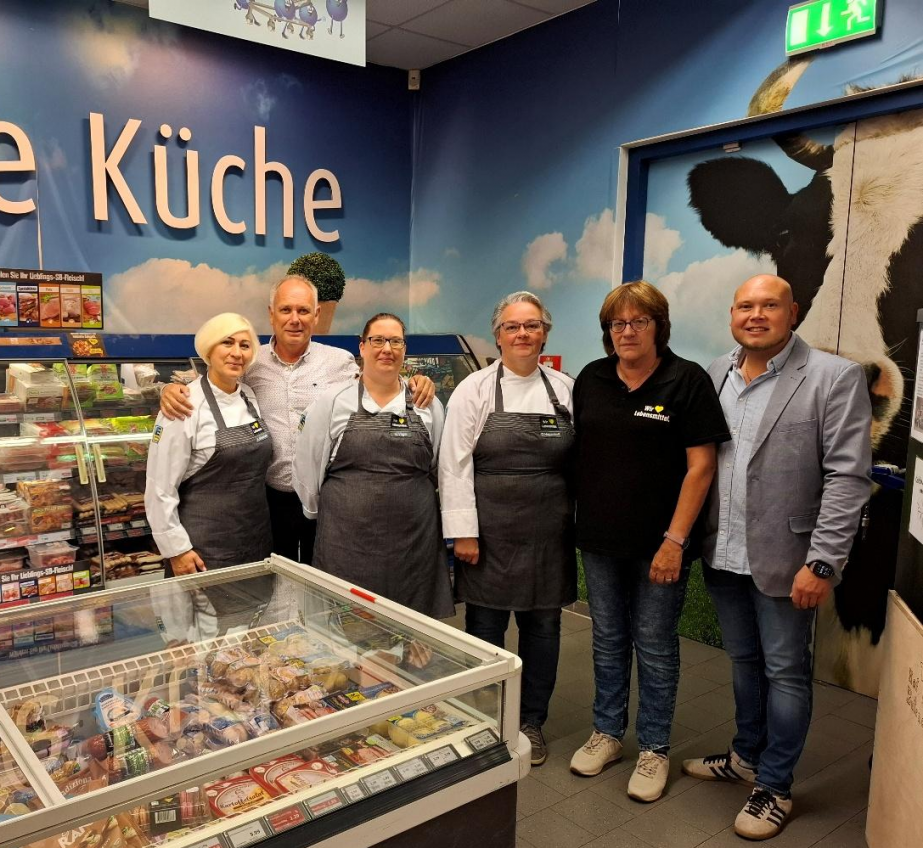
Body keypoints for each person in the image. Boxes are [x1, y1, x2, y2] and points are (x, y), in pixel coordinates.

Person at [682, 274, 871, 840]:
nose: (756, 315)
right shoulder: (715, 373)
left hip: (790, 560)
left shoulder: (833, 377)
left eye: (770, 305)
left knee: (785, 672)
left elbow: (847, 477)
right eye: (745, 306)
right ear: (732, 314)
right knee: (744, 662)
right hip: (723, 552)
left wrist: (822, 562)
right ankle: (746, 756)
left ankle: (775, 786)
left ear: (794, 312)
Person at [569, 280, 730, 803]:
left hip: (662, 544)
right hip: (600, 540)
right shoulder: (592, 379)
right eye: (618, 323)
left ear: (659, 326)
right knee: (607, 639)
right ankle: (608, 733)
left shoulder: (686, 380)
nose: (628, 331)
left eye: (639, 321)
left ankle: (655, 748)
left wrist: (675, 541)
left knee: (655, 645)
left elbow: (701, 467)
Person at [160, 275, 435, 564]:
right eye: (286, 310)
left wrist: (413, 382)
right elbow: (214, 386)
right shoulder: (249, 361)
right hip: (268, 500)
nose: (295, 319)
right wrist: (169, 390)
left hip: (326, 497)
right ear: (271, 314)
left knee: (325, 574)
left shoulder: (340, 362)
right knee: (276, 580)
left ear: (316, 315)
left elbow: (377, 386)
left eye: (303, 311)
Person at [439, 291, 575, 765]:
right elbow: (454, 465)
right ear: (497, 336)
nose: (522, 334)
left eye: (532, 325)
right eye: (512, 327)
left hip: (548, 532)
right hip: (489, 532)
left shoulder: (566, 389)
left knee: (544, 628)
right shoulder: (473, 389)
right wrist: (464, 532)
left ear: (545, 334)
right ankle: (486, 716)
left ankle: (531, 720)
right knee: (485, 627)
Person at [292, 313, 453, 618]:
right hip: (346, 542)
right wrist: (317, 512)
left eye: (395, 341)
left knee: (412, 630)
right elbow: (307, 467)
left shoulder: (428, 404)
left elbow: (436, 465)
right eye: (378, 340)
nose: (387, 349)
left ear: (404, 349)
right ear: (362, 347)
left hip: (414, 542)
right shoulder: (332, 402)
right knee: (345, 631)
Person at [146, 312, 272, 583]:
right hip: (203, 548)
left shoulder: (249, 396)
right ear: (209, 349)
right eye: (227, 342)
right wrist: (177, 550)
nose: (236, 353)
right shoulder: (184, 405)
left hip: (255, 539)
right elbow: (160, 488)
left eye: (245, 345)